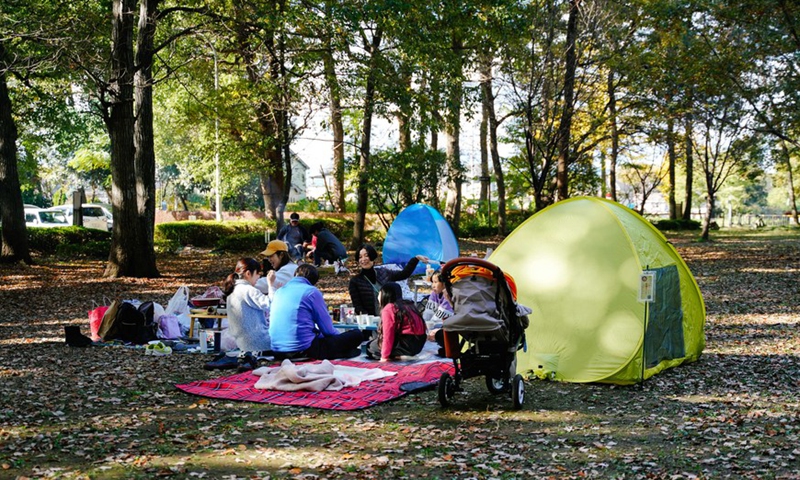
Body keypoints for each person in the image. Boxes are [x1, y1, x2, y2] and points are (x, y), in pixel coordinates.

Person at [269, 264, 364, 360]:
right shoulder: (311, 292)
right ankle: (345, 351)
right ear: (313, 281)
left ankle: (345, 352)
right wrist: (340, 339)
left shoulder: (279, 291)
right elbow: (328, 330)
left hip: (277, 351)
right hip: (303, 350)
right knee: (356, 335)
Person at [349, 244, 429, 316]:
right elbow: (358, 306)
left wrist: (416, 258)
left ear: (372, 256)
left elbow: (404, 274)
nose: (363, 259)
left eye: (366, 255)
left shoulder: (383, 272)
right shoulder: (355, 281)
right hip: (370, 322)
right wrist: (369, 319)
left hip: (390, 317)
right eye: (360, 257)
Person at [366, 282, 427, 362]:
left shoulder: (389, 308)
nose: (378, 296)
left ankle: (399, 356)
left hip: (405, 344)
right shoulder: (408, 305)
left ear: (385, 294)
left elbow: (388, 335)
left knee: (370, 347)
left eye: (379, 293)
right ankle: (400, 356)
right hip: (418, 345)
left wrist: (384, 357)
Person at [222, 257, 271, 354]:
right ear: (248, 274)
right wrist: (271, 285)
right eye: (257, 274)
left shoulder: (233, 290)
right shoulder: (248, 289)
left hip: (243, 344)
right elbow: (270, 304)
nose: (259, 277)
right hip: (259, 343)